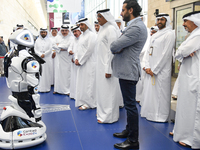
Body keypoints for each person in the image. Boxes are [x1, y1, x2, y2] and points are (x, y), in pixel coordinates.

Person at [110, 0, 147, 149]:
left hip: (128, 71)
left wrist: (118, 47)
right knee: (128, 104)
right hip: (126, 70)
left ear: (131, 10)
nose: (121, 13)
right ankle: (128, 130)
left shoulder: (136, 28)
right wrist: (119, 46)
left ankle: (133, 140)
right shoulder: (133, 26)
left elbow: (114, 45)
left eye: (123, 10)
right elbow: (119, 45)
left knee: (131, 106)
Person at [172, 11, 200, 149]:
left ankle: (191, 138)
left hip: (194, 78)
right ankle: (181, 132)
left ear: (194, 21)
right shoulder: (193, 35)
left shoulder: (198, 35)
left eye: (185, 21)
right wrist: (182, 52)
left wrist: (182, 52)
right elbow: (180, 52)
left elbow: (181, 51)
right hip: (188, 76)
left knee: (192, 108)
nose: (183, 24)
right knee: (184, 106)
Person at [140, 13, 175, 122]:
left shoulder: (169, 34)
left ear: (167, 21)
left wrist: (154, 69)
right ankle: (151, 114)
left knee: (161, 94)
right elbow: (149, 52)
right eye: (158, 19)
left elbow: (166, 54)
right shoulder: (155, 35)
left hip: (161, 71)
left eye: (162, 20)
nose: (159, 21)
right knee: (152, 94)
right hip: (151, 70)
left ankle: (160, 116)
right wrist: (147, 66)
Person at [95, 9, 122, 124]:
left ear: (106, 17)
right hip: (100, 66)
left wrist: (109, 69)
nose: (98, 19)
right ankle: (102, 112)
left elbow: (112, 51)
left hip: (108, 67)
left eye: (100, 16)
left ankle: (109, 116)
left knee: (109, 91)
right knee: (102, 91)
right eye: (97, 16)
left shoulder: (111, 29)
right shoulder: (102, 29)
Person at [75, 18, 97, 110]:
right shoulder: (81, 36)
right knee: (82, 83)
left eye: (82, 25)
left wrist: (80, 61)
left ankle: (89, 103)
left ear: (87, 25)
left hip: (89, 63)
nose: (80, 27)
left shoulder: (92, 35)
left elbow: (89, 50)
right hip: (81, 63)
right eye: (79, 25)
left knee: (89, 83)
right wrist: (76, 58)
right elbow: (78, 49)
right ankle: (83, 101)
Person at [52, 25, 73, 95]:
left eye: (66, 30)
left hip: (66, 58)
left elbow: (68, 46)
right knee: (58, 73)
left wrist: (59, 46)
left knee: (66, 74)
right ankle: (57, 89)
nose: (64, 32)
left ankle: (67, 90)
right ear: (61, 31)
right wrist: (61, 47)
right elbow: (53, 45)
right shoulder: (57, 37)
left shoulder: (71, 38)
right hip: (58, 58)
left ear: (68, 31)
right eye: (63, 30)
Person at [34, 28, 52, 92]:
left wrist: (44, 54)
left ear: (46, 33)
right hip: (39, 59)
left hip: (47, 59)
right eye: (42, 32)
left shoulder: (49, 40)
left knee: (46, 73)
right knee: (39, 73)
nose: (43, 33)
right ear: (40, 33)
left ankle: (47, 88)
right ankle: (40, 88)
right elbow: (35, 49)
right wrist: (40, 54)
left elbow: (50, 49)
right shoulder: (37, 40)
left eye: (44, 32)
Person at [68, 25, 82, 100]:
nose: (74, 33)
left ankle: (79, 96)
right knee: (74, 79)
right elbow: (70, 47)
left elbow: (80, 51)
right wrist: (69, 52)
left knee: (80, 79)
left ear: (80, 31)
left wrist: (76, 58)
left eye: (76, 31)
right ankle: (74, 94)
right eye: (73, 32)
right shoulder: (73, 40)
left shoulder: (82, 39)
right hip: (73, 62)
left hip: (80, 63)